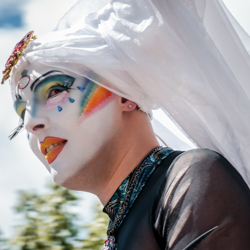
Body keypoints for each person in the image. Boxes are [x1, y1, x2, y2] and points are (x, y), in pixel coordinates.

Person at [2, 0, 250, 249]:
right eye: (22, 114)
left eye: (54, 90)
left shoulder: (191, 179)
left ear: (124, 94)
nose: (31, 123)